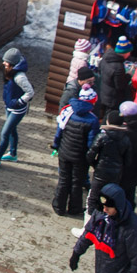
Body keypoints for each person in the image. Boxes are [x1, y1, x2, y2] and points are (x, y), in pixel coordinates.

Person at [68, 184, 137, 273]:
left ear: (118, 206)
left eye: (108, 207)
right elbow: (88, 234)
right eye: (103, 206)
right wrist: (77, 253)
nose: (105, 210)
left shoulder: (133, 229)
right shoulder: (100, 214)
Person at [52, 86, 100, 217]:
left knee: (63, 179)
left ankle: (58, 206)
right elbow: (91, 143)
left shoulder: (67, 111)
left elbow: (59, 132)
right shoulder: (93, 120)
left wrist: (56, 146)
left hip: (64, 152)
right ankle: (74, 208)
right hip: (80, 157)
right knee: (76, 182)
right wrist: (92, 158)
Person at [0, 48, 34, 169]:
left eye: (6, 62)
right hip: (9, 106)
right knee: (12, 130)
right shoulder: (10, 70)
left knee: (5, 133)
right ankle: (13, 154)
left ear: (12, 64)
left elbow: (30, 92)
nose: (3, 63)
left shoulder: (19, 77)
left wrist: (19, 102)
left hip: (17, 109)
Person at [86, 110, 131, 218]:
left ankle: (89, 225)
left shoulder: (102, 136)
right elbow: (128, 160)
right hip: (115, 175)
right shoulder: (126, 139)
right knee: (109, 199)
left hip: (100, 173)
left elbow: (90, 154)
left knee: (93, 198)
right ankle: (106, 224)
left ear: (108, 121)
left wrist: (95, 165)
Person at [97, 36, 132, 121]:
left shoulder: (106, 56)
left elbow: (100, 68)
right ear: (125, 53)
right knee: (108, 118)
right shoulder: (118, 67)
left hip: (104, 92)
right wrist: (128, 75)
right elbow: (120, 86)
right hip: (112, 98)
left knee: (103, 115)